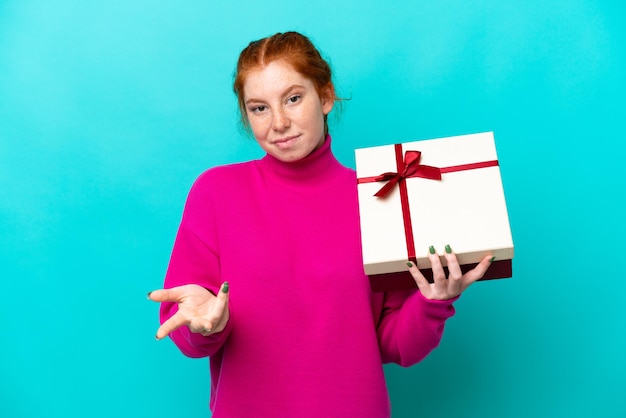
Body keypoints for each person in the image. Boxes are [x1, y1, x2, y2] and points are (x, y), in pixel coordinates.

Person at [148, 31, 494, 417]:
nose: (279, 122)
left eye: (293, 99)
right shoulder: (215, 192)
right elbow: (186, 327)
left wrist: (434, 302)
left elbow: (393, 343)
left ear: (325, 96)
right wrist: (204, 325)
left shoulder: (381, 195)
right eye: (259, 108)